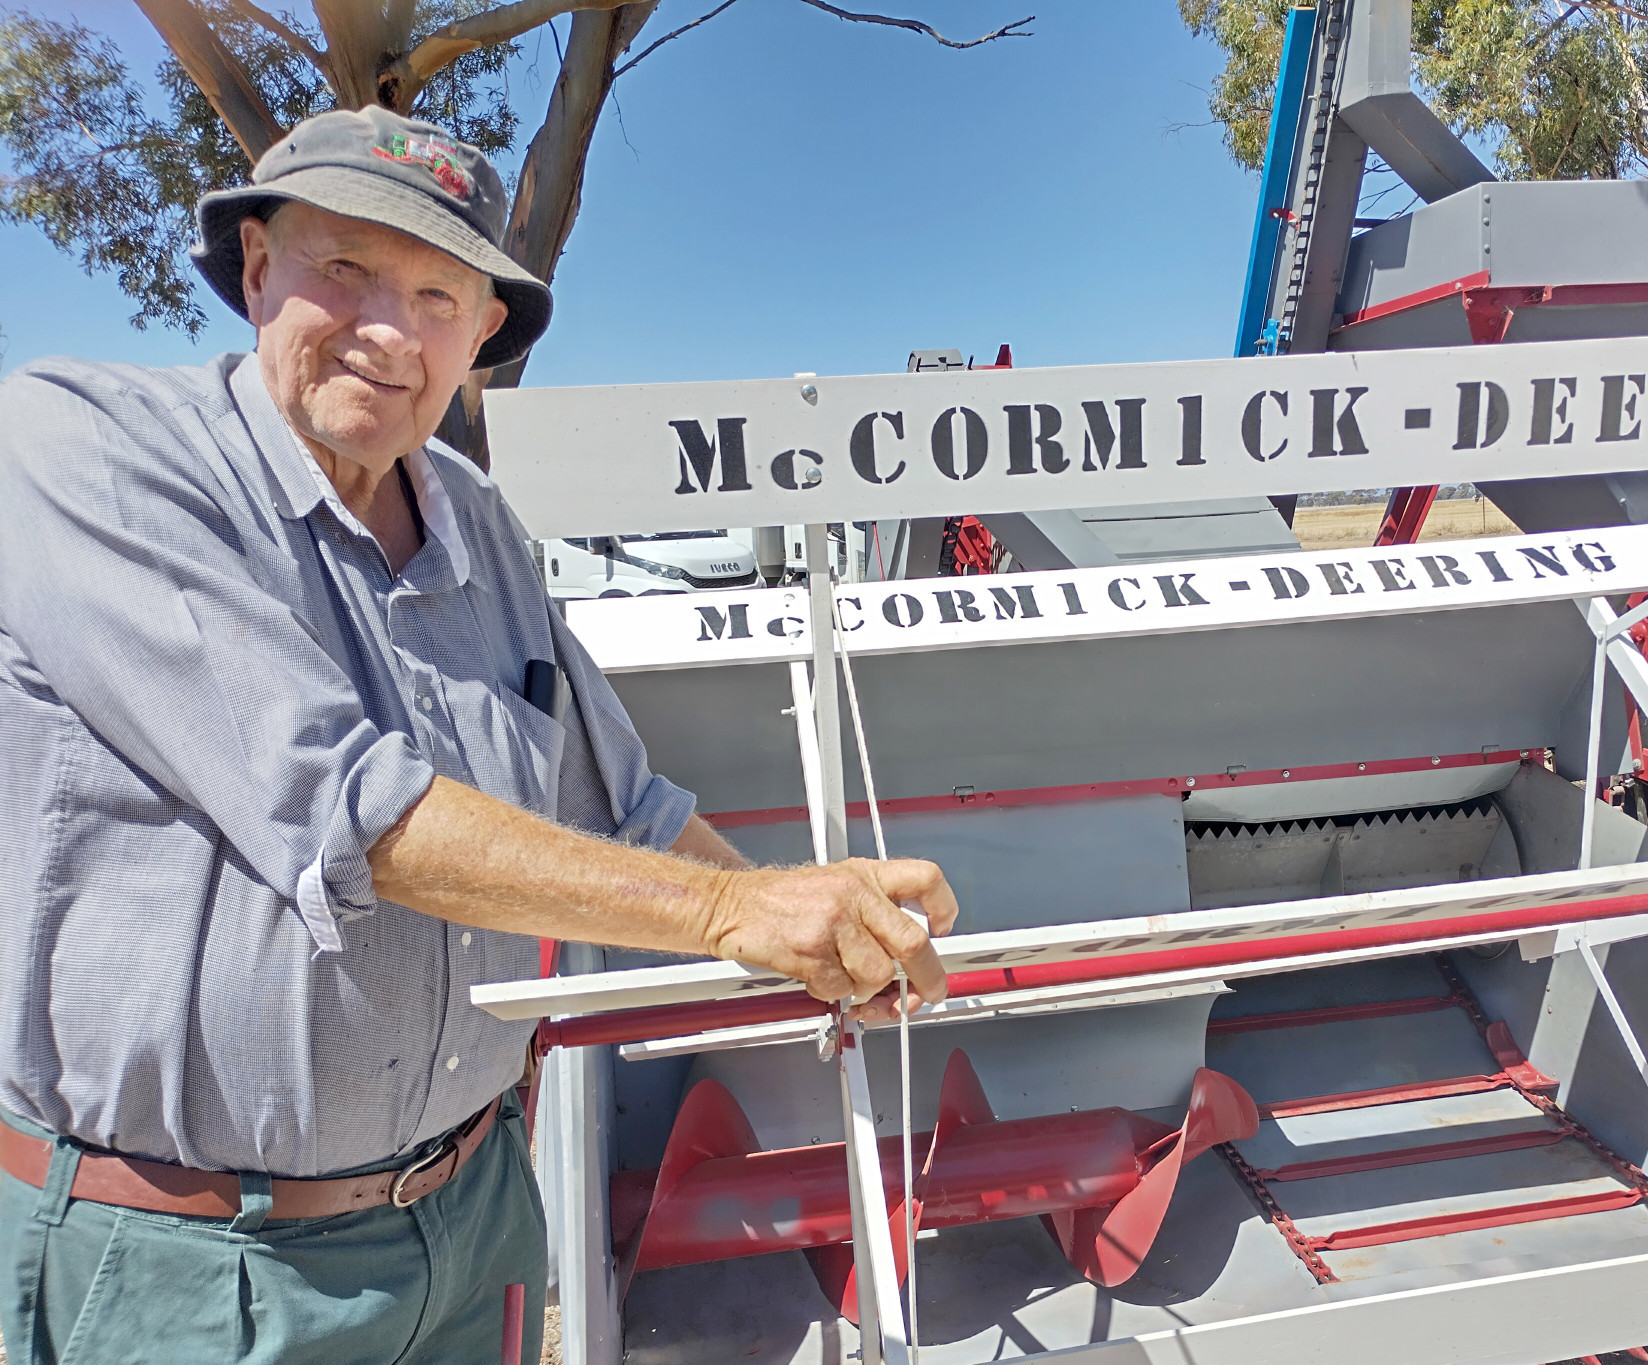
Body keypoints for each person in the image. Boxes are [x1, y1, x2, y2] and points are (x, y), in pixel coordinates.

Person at [0, 106, 956, 1364]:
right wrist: (736, 919)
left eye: (438, 295)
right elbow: (349, 806)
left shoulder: (481, 526)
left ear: (482, 332)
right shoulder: (83, 445)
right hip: (185, 1264)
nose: (390, 331)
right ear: (253, 268)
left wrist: (824, 925)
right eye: (341, 267)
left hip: (474, 1222)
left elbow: (626, 806)